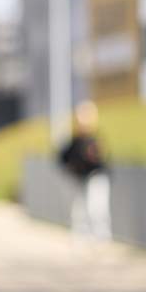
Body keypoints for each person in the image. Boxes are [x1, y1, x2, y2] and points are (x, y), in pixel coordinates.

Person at [58, 101, 111, 243]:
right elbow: (63, 158)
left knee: (97, 207)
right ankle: (81, 235)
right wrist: (71, 167)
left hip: (95, 177)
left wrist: (94, 157)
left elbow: (103, 161)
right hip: (79, 179)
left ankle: (100, 235)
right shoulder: (74, 141)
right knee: (79, 208)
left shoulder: (96, 139)